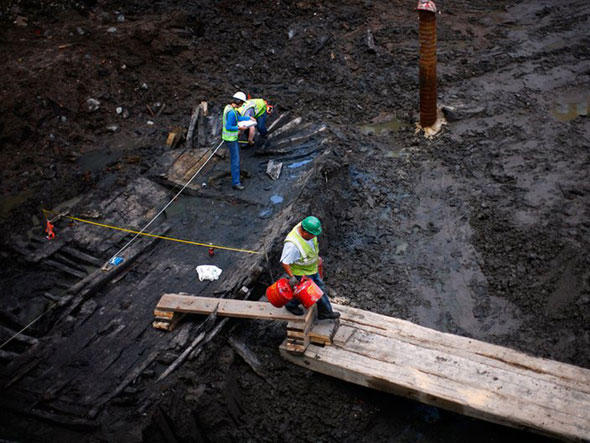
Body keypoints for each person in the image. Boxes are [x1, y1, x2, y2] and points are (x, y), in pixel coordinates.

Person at [281, 216, 340, 320]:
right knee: (306, 292)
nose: (314, 237)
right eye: (312, 235)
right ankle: (291, 305)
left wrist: (316, 258)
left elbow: (310, 247)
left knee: (319, 289)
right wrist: (292, 277)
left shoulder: (308, 229)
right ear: (304, 232)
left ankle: (325, 312)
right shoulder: (292, 245)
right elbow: (285, 262)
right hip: (301, 273)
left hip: (311, 268)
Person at [222, 91, 253, 190]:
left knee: (235, 159)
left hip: (229, 138)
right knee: (235, 161)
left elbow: (238, 117)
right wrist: (240, 128)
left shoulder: (229, 108)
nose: (243, 105)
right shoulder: (231, 112)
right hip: (230, 139)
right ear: (239, 102)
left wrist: (248, 118)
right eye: (242, 103)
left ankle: (236, 180)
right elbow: (229, 127)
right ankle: (236, 183)